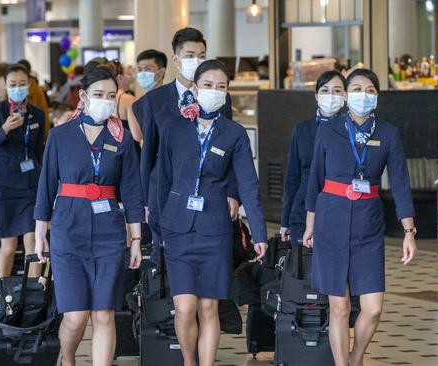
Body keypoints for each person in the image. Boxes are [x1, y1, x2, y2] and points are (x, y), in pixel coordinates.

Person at [303, 68, 417, 366]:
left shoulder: (388, 133)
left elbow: (401, 182)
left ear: (377, 96)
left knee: (373, 307)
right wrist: (310, 224)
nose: (362, 95)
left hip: (368, 224)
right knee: (339, 307)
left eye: (369, 90)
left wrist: (409, 230)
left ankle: (355, 358)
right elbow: (315, 178)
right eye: (355, 88)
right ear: (346, 94)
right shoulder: (329, 130)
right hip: (331, 221)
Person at [155, 60, 267, 366]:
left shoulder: (234, 134)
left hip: (214, 229)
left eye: (221, 87)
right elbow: (161, 181)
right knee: (184, 308)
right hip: (178, 228)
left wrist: (258, 233)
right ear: (194, 88)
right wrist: (156, 229)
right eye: (208, 85)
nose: (214, 92)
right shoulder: (173, 129)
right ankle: (189, 361)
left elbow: (248, 184)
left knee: (208, 308)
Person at [34, 66, 143, 366]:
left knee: (104, 313)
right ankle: (66, 358)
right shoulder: (60, 135)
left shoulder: (120, 138)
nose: (105, 101)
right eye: (98, 95)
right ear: (83, 96)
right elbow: (46, 186)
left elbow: (132, 191)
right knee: (75, 315)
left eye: (111, 96)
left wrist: (135, 239)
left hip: (109, 232)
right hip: (68, 230)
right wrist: (40, 233)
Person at [135, 27, 238, 263]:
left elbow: (230, 150)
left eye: (202, 55)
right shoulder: (155, 100)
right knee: (169, 265)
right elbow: (148, 153)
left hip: (210, 195)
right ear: (176, 59)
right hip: (166, 194)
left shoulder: (220, 98)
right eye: (190, 55)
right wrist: (146, 201)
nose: (197, 61)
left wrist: (233, 193)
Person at [0, 64, 46, 278]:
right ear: (5, 85)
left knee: (34, 241)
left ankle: (35, 292)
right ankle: (3, 292)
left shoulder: (37, 114)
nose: (17, 88)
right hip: (3, 183)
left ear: (29, 84)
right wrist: (5, 129)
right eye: (13, 84)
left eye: (22, 84)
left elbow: (39, 151)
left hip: (30, 184)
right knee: (9, 245)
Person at [280, 70, 346, 255]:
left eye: (337, 91)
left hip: (338, 211)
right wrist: (285, 220)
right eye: (325, 91)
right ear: (317, 96)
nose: (330, 96)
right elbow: (293, 177)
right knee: (304, 274)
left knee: (332, 276)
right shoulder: (302, 129)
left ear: (345, 96)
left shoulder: (350, 131)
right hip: (302, 211)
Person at [110, 60, 142, 148]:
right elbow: (137, 136)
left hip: (112, 150)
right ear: (120, 77)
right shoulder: (128, 99)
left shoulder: (105, 98)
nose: (131, 77)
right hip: (129, 151)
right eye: (128, 74)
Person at [16, 59, 50, 139]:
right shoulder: (37, 89)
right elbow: (44, 112)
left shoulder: (13, 89)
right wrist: (45, 136)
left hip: (15, 131)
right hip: (35, 130)